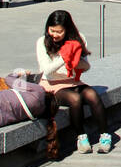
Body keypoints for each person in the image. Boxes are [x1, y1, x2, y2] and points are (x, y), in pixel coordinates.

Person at [35, 9, 113, 154]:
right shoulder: (42, 42)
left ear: (67, 30)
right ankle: (81, 137)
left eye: (59, 32)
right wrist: (64, 59)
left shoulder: (78, 39)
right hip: (51, 84)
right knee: (75, 99)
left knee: (92, 95)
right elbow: (46, 70)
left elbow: (86, 66)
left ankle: (105, 135)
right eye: (52, 30)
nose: (55, 35)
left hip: (73, 81)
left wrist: (73, 60)